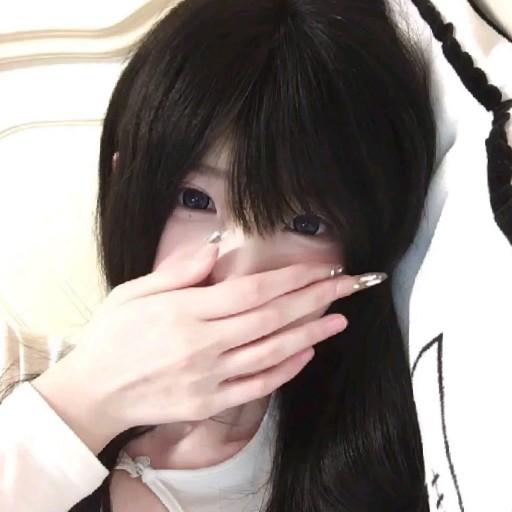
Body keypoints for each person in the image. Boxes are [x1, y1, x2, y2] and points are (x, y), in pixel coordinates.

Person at [0, 0, 438, 511]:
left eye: (306, 224)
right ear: (128, 190)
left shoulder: (392, 454)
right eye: (195, 200)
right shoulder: (26, 380)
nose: (239, 275)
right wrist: (80, 403)